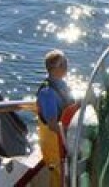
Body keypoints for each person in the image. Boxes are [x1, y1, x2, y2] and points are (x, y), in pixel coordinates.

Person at [36, 49, 76, 187]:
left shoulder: (61, 84)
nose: (66, 66)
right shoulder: (47, 93)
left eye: (66, 62)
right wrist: (71, 134)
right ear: (53, 69)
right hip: (55, 142)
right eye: (63, 63)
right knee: (59, 176)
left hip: (63, 138)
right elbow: (52, 125)